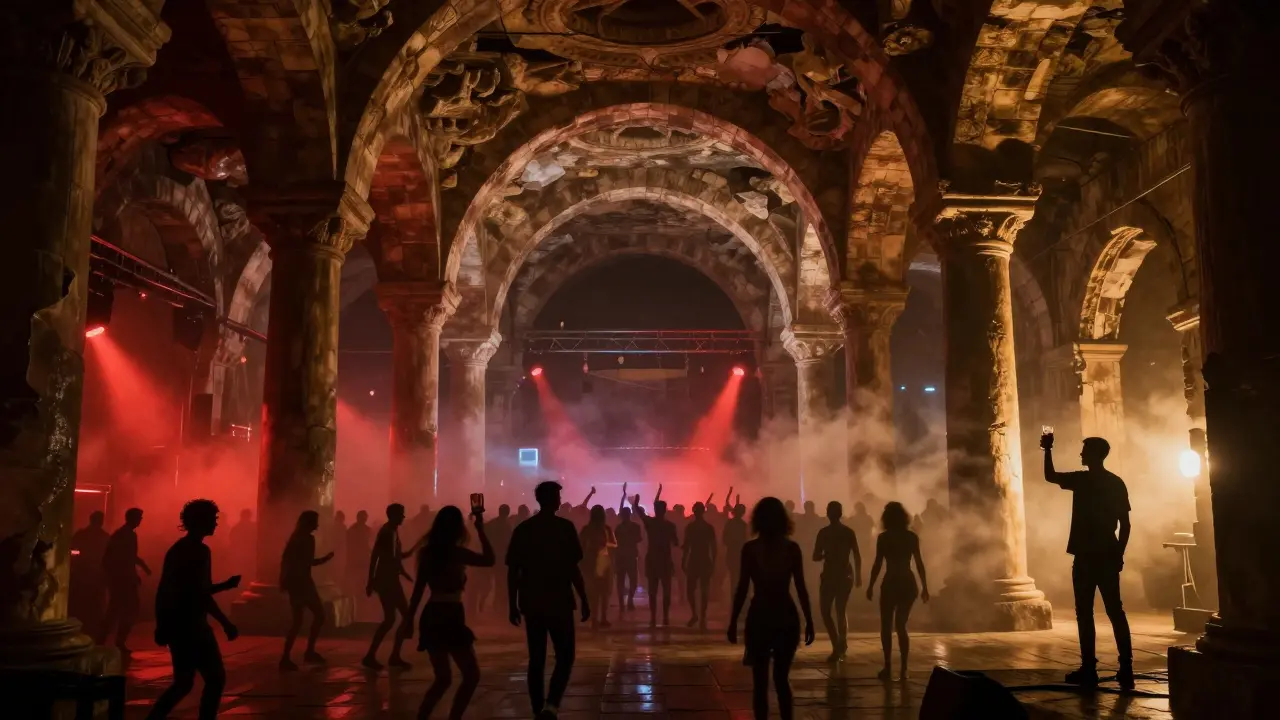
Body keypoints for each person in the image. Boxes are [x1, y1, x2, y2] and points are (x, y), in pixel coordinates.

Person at [1042, 433, 1133, 690]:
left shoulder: (1081, 480)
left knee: (1085, 613)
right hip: (1107, 553)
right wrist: (1119, 554)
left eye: (1084, 452)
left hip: (1085, 555)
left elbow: (1050, 476)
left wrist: (1047, 449)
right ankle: (1126, 668)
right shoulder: (1116, 483)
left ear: (1093, 455)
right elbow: (1125, 524)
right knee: (1115, 611)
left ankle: (1089, 669)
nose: (1081, 455)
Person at [147, 500, 240, 720]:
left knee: (183, 683)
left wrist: (162, 623)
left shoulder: (178, 549)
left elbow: (168, 589)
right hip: (194, 627)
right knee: (215, 678)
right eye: (213, 519)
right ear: (202, 521)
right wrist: (226, 623)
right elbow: (201, 595)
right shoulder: (199, 551)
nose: (216, 524)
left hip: (178, 625)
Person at [507, 481, 590, 719]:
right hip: (559, 599)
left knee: (537, 658)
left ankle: (538, 708)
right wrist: (583, 597)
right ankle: (551, 705)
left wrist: (512, 603)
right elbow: (573, 568)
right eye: (558, 495)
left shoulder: (524, 529)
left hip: (532, 600)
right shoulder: (564, 528)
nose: (560, 499)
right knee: (565, 656)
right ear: (551, 499)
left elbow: (514, 570)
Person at [727, 497, 815, 720]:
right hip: (785, 614)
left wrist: (733, 620)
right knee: (782, 679)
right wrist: (809, 620)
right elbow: (801, 587)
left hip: (760, 616)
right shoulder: (792, 549)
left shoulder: (750, 549)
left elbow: (742, 588)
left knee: (760, 682)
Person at [406, 505, 494, 719]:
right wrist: (481, 530)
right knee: (470, 675)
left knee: (443, 678)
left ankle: (423, 716)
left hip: (434, 613)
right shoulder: (456, 553)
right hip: (450, 613)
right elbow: (489, 560)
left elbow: (419, 590)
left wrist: (409, 619)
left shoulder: (428, 553)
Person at [865, 501, 929, 681]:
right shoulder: (911, 537)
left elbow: (878, 564)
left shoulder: (884, 538)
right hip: (908, 583)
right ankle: (904, 668)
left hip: (891, 582)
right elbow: (919, 563)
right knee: (901, 625)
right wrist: (924, 586)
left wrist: (870, 585)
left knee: (886, 626)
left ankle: (887, 666)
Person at [278, 510, 334, 671]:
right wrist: (326, 559)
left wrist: (284, 579)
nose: (317, 524)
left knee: (297, 622)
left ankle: (286, 656)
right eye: (315, 521)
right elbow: (309, 562)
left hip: (294, 582)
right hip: (304, 582)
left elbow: (286, 560)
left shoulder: (294, 538)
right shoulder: (308, 539)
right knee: (319, 615)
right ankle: (308, 651)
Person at [363, 504, 415, 670]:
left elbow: (390, 557)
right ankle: (391, 655)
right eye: (401, 514)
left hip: (387, 580)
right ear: (394, 515)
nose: (403, 517)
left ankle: (374, 655)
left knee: (391, 619)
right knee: (403, 616)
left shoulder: (390, 531)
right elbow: (380, 557)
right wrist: (371, 580)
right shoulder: (388, 532)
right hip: (388, 581)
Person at [813, 500, 861, 661]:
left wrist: (826, 555)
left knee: (829, 611)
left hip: (835, 574)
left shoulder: (824, 532)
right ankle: (840, 643)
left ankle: (838, 645)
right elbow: (856, 555)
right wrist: (858, 575)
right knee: (839, 610)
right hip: (842, 574)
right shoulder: (847, 532)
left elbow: (815, 556)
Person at [99, 507, 151, 652]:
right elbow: (127, 558)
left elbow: (125, 557)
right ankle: (115, 640)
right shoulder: (127, 535)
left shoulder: (121, 534)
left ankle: (104, 639)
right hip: (124, 580)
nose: (140, 521)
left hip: (121, 579)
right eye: (139, 518)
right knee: (128, 610)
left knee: (116, 609)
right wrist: (139, 570)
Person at [635, 486, 678, 628]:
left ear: (655, 510)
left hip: (652, 559)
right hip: (665, 560)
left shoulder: (650, 523)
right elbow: (676, 542)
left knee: (652, 592)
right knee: (666, 590)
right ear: (665, 510)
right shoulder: (670, 525)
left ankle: (653, 618)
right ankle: (665, 617)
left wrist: (635, 504)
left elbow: (640, 514)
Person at [70, 511, 109, 636]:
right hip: (95, 574)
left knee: (84, 600)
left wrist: (78, 559)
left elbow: (72, 550)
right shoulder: (104, 536)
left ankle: (86, 625)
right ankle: (93, 626)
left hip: (85, 573)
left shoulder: (81, 534)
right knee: (94, 601)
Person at [579, 504, 617, 629]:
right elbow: (614, 545)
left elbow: (580, 546)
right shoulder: (601, 529)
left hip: (597, 561)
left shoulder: (594, 529)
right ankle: (599, 618)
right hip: (598, 561)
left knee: (598, 591)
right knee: (600, 591)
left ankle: (598, 618)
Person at [682, 501, 717, 630]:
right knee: (703, 590)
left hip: (695, 560)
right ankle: (701, 614)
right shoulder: (708, 527)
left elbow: (686, 546)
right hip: (703, 560)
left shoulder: (691, 527)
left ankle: (696, 614)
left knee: (692, 589)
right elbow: (714, 548)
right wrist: (713, 562)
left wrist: (683, 560)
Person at [614, 487, 642, 612]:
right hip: (630, 555)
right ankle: (629, 600)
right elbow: (639, 539)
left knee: (621, 580)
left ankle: (623, 603)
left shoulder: (619, 528)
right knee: (632, 579)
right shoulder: (634, 526)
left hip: (622, 556)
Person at [486, 504, 515, 619]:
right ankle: (500, 606)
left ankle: (497, 605)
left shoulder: (493, 523)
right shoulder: (507, 525)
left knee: (498, 582)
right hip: (503, 557)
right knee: (503, 583)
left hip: (495, 556)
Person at [722, 501, 747, 598]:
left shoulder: (729, 524)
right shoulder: (744, 525)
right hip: (741, 555)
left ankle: (734, 598)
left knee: (733, 578)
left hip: (732, 554)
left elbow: (724, 540)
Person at [227, 509, 257, 581]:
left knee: (241, 574)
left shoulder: (236, 528)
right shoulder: (253, 527)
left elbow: (232, 541)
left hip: (241, 555)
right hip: (249, 554)